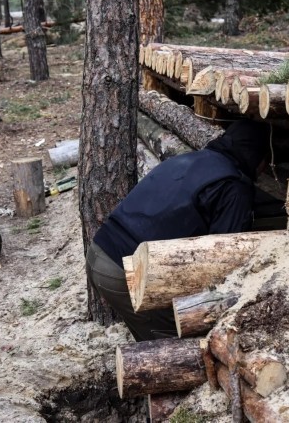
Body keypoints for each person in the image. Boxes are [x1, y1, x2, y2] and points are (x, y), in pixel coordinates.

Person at [86, 119, 271, 341]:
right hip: (126, 271)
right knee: (178, 342)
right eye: (266, 162)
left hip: (99, 251)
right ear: (257, 155)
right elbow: (225, 258)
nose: (265, 169)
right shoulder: (235, 187)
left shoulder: (192, 159)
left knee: (152, 332)